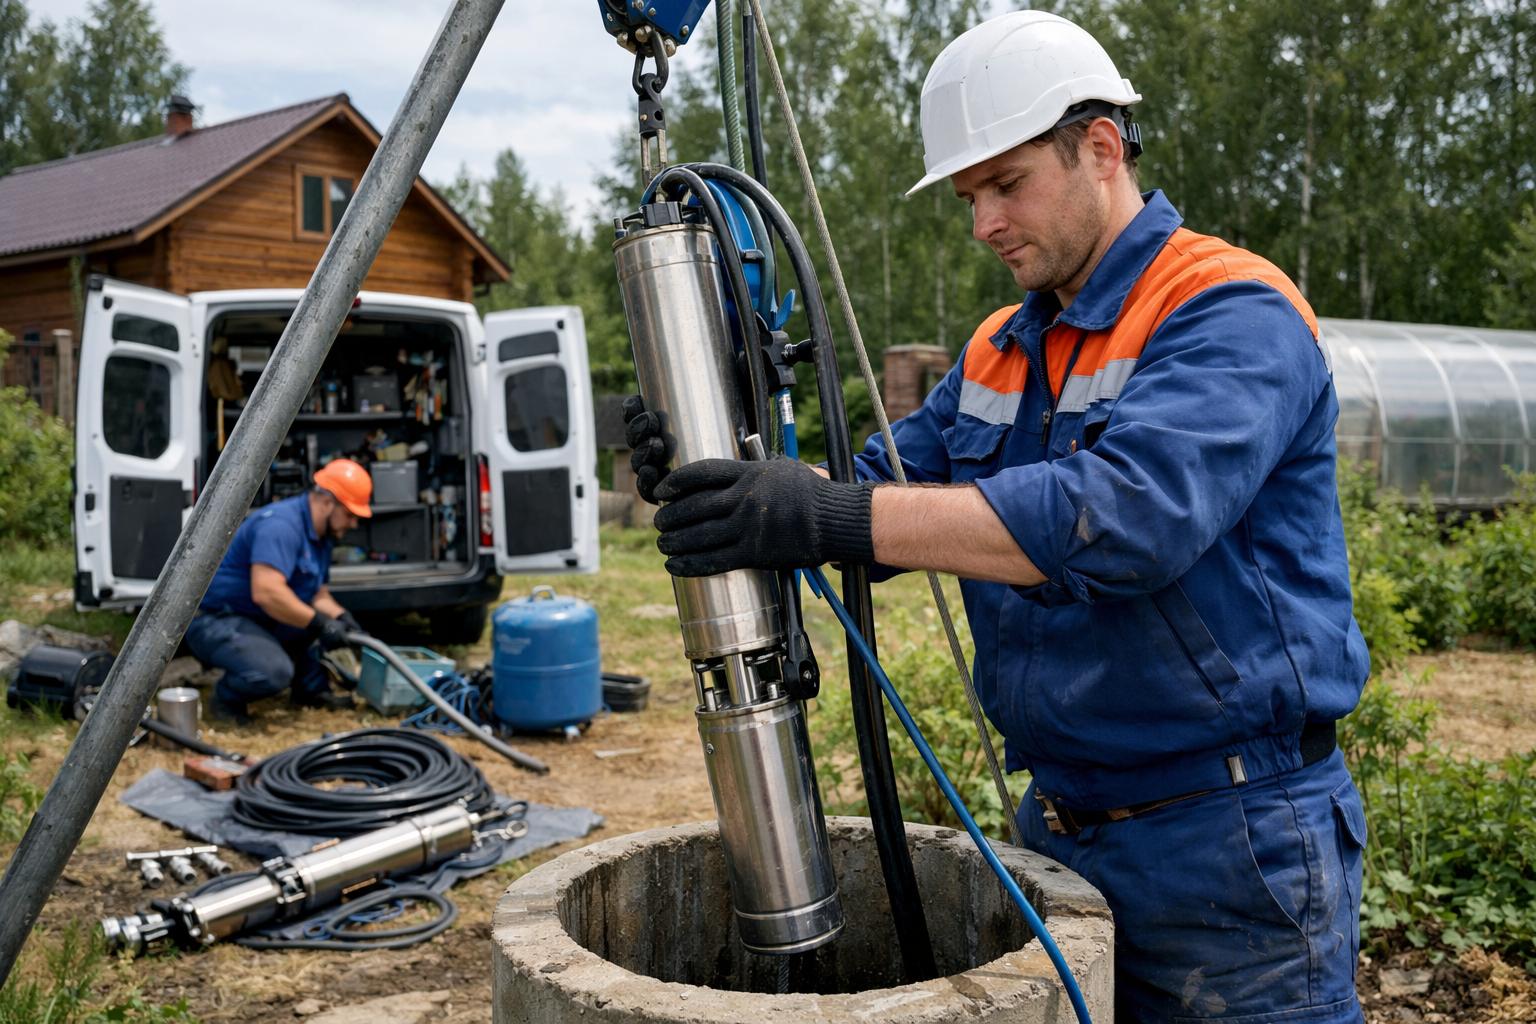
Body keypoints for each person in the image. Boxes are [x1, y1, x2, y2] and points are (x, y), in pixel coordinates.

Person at [628, 10, 1370, 1023]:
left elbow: (1123, 518)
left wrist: (830, 515)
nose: (983, 222)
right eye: (971, 194)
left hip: (1233, 835)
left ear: (1100, 148)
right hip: (1062, 824)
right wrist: (727, 472)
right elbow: (879, 484)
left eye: (1006, 183)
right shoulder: (1000, 351)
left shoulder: (1228, 308)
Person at [186, 458, 375, 724]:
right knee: (273, 670)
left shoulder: (321, 536)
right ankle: (226, 699)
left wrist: (343, 619)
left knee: (314, 625)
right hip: (216, 620)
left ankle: (310, 691)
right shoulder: (281, 526)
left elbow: (317, 593)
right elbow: (267, 593)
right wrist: (322, 623)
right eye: (350, 514)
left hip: (257, 618)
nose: (353, 524)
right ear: (326, 502)